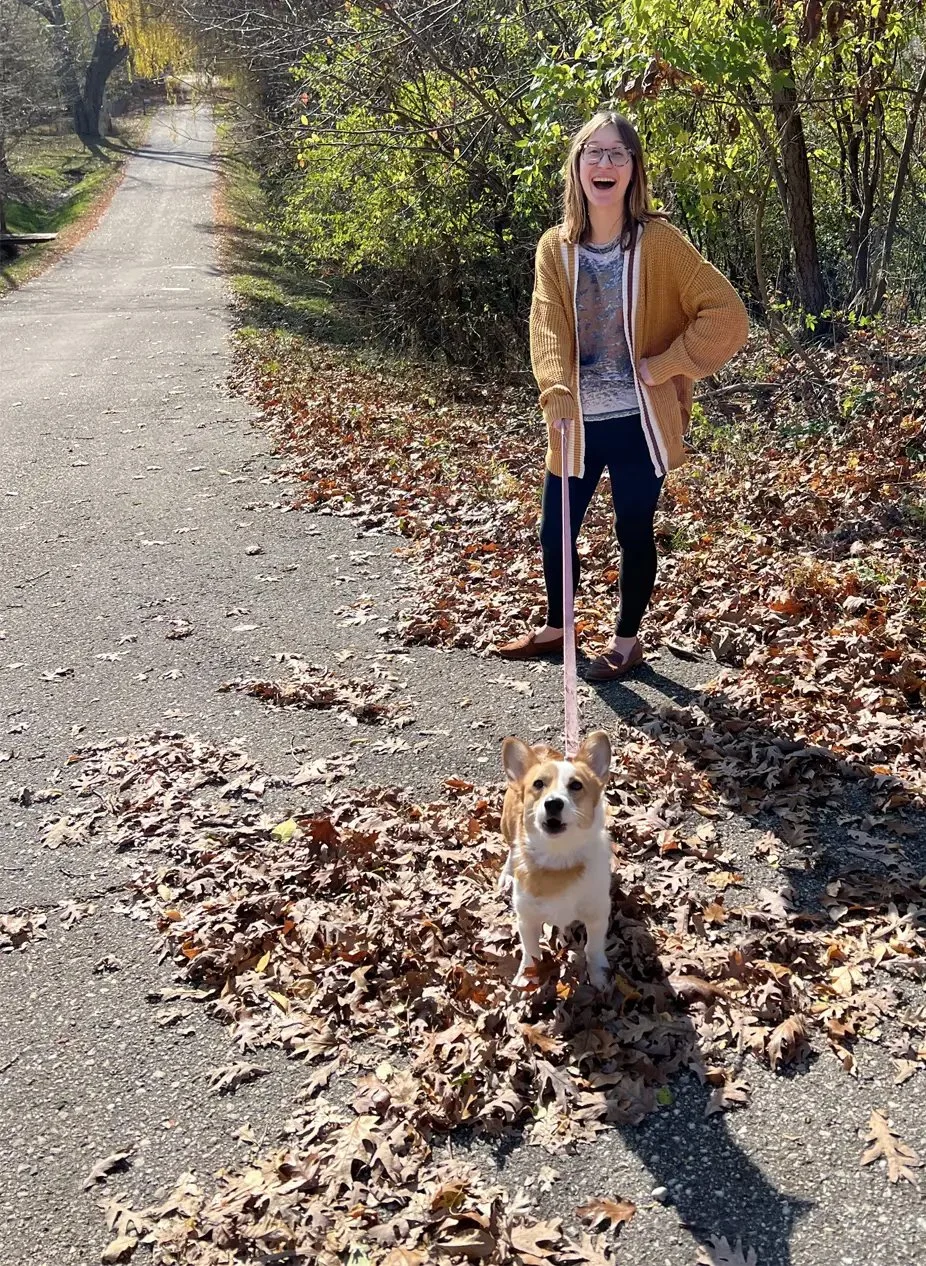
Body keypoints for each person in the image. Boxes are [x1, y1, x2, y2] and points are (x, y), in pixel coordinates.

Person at [498, 109, 749, 680]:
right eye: (594, 153)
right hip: (576, 419)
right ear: (577, 167)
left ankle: (627, 640)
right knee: (556, 529)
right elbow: (547, 326)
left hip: (641, 419)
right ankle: (560, 627)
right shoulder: (554, 249)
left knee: (633, 529)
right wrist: (556, 389)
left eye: (617, 153)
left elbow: (726, 313)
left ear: (634, 170)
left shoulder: (659, 243)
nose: (604, 163)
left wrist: (667, 366)